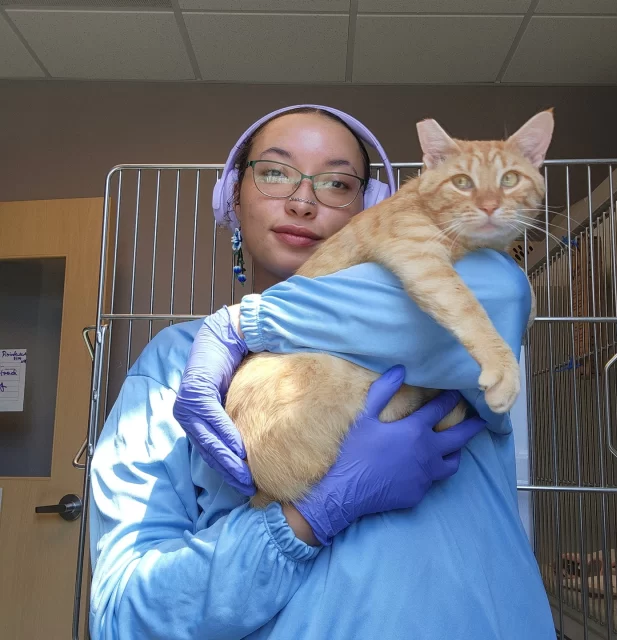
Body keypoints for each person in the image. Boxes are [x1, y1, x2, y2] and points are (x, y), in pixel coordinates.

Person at [89, 105, 555, 639]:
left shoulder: (463, 303)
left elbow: (504, 289)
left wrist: (245, 323)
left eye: (337, 183)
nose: (303, 200)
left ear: (372, 207)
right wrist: (306, 519)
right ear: (232, 200)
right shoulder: (173, 362)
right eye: (274, 172)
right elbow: (123, 617)